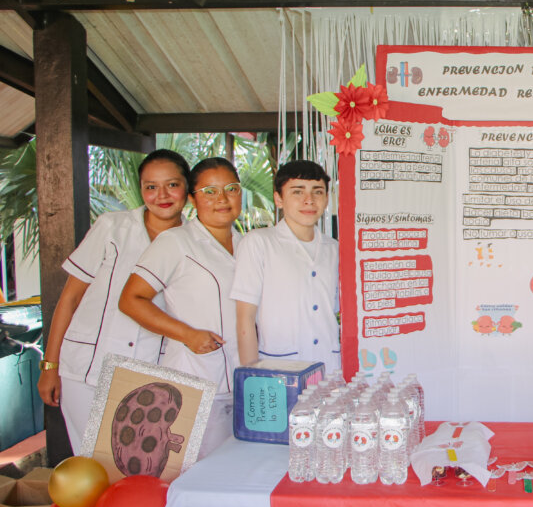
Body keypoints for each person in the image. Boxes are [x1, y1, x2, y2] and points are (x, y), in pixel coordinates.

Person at [37, 150, 190, 452]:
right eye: (150, 186)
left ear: (187, 187)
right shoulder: (112, 227)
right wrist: (49, 366)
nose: (161, 195)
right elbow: (70, 298)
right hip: (87, 368)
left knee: (136, 465)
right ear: (141, 189)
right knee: (90, 462)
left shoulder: (195, 240)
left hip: (151, 374)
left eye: (172, 184)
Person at [118, 157, 243, 458]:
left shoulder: (248, 244)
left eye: (231, 189)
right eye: (209, 191)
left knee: (236, 470)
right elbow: (130, 300)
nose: (222, 199)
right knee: (197, 472)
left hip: (244, 381)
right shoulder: (176, 242)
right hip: (195, 378)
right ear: (192, 198)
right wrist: (187, 334)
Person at [232, 160, 340, 370]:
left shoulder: (334, 248)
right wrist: (252, 376)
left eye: (317, 192)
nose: (309, 200)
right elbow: (245, 319)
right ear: (279, 199)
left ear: (327, 199)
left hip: (328, 366)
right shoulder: (259, 242)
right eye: (297, 192)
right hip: (278, 367)